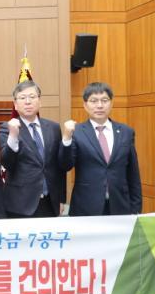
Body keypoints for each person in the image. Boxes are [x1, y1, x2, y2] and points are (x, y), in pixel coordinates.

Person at [60, 82, 141, 216]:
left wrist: (136, 208)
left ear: (111, 103)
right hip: (86, 207)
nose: (99, 105)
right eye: (94, 101)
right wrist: (67, 138)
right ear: (85, 105)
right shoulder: (77, 132)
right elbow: (65, 165)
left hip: (120, 206)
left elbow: (133, 172)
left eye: (104, 100)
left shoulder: (126, 132)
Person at [0, 80, 67, 218]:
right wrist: (13, 135)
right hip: (20, 204)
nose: (28, 102)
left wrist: (61, 198)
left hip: (50, 201)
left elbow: (58, 167)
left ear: (40, 101)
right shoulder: (6, 128)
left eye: (32, 97)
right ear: (15, 104)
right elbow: (7, 163)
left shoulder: (53, 128)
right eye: (22, 98)